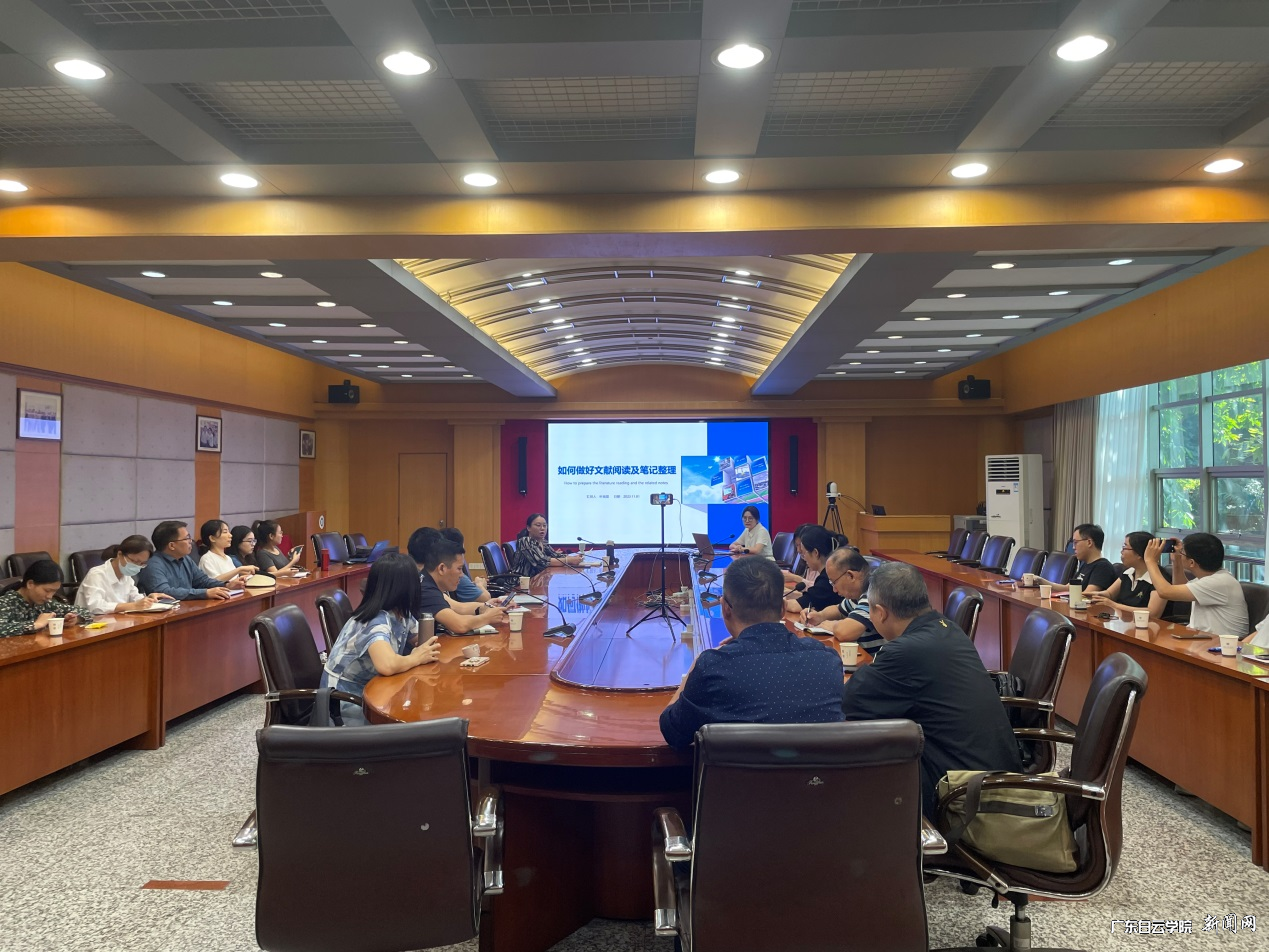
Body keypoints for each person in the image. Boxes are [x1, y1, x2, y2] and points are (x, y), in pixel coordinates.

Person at [840, 562, 1022, 816]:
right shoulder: (946, 627)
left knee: (856, 761)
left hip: (964, 795)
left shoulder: (906, 651)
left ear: (880, 613)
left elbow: (849, 702)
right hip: (988, 771)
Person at [659, 556, 843, 748]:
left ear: (725, 608)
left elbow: (672, 731)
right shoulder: (827, 660)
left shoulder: (712, 666)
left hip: (735, 769)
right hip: (813, 769)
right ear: (783, 609)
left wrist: (696, 665)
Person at [321, 552, 442, 725]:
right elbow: (387, 665)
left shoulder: (400, 614)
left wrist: (424, 649)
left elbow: (422, 641)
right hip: (344, 704)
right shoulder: (375, 620)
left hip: (374, 692)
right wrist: (416, 657)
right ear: (405, 588)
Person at [1144, 533, 1248, 637]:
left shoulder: (1220, 582)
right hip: (1203, 638)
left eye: (1182, 552)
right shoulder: (1213, 577)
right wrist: (1177, 560)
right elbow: (1180, 586)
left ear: (1192, 563)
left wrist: (1150, 561)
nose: (1180, 553)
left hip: (1220, 643)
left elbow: (1165, 592)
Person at [803, 546, 884, 655]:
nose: (834, 589)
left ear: (851, 576)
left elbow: (844, 633)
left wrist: (833, 626)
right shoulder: (856, 595)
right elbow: (839, 609)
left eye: (834, 582)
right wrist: (820, 616)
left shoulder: (874, 594)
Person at [419, 537, 509, 634]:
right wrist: (487, 618)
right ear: (442, 568)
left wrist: (486, 607)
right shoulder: (425, 589)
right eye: (459, 569)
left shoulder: (428, 581)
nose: (462, 575)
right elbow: (459, 625)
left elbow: (459, 607)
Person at [138, 520, 243, 600]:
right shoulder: (153, 564)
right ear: (172, 545)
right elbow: (164, 592)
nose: (190, 541)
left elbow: (202, 581)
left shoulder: (185, 559)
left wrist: (226, 585)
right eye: (187, 538)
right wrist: (205, 593)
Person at [0, 560, 93, 637]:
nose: (50, 596)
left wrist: (76, 619)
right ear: (30, 584)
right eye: (47, 590)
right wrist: (35, 625)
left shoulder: (45, 604)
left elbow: (85, 611)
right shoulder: (6, 603)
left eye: (54, 591)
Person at [75, 535, 162, 615]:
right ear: (120, 554)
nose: (137, 566)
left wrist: (149, 600)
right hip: (91, 623)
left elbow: (135, 597)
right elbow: (95, 607)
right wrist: (133, 606)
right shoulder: (96, 574)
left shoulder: (126, 576)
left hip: (117, 621)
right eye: (135, 561)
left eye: (142, 563)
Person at [1086, 532, 1164, 618]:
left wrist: (1114, 605)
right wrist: (1085, 594)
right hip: (1125, 621)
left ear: (1138, 554)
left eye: (1125, 548)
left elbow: (1153, 613)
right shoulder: (1129, 572)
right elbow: (1109, 594)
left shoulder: (1159, 577)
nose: (1121, 552)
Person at [782, 525, 842, 613]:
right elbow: (810, 597)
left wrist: (769, 599)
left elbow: (795, 606)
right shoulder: (826, 574)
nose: (803, 558)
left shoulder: (826, 580)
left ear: (815, 553)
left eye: (804, 553)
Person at [1053, 523, 1118, 593]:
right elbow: (1068, 588)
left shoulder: (1103, 567)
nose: (1073, 547)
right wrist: (1044, 582)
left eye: (1076, 542)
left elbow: (1088, 595)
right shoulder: (1086, 564)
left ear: (1089, 542)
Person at [512, 513, 581, 577]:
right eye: (538, 525)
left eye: (544, 525)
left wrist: (574, 558)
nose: (542, 528)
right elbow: (542, 562)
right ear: (528, 528)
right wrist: (568, 560)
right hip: (521, 582)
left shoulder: (543, 542)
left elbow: (555, 555)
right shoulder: (525, 541)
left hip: (538, 579)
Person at [441, 526, 490, 602]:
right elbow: (486, 599)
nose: (461, 574)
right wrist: (480, 585)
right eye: (459, 568)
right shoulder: (457, 576)